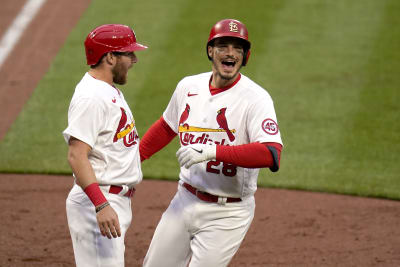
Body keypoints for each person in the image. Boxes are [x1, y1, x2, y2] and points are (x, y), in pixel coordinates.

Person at [140, 19, 283, 267]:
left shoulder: (256, 99)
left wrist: (213, 151)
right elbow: (166, 126)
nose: (230, 53)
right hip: (184, 200)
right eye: (223, 46)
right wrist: (134, 159)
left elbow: (271, 153)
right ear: (210, 51)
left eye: (237, 48)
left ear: (245, 56)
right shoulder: (188, 86)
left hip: (227, 212)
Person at [62, 24, 147, 267]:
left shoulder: (106, 90)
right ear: (110, 57)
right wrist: (101, 205)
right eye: (128, 53)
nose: (134, 59)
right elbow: (77, 156)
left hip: (111, 199)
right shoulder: (91, 97)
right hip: (99, 201)